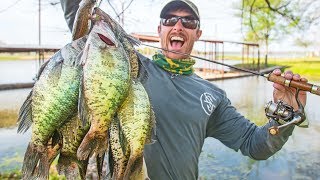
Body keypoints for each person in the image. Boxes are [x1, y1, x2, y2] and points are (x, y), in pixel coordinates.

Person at [60, 0, 308, 179]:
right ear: (160, 30)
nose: (178, 26)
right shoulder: (127, 66)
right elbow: (82, 23)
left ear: (197, 33)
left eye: (188, 21)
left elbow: (255, 144)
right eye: (170, 20)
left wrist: (286, 114)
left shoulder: (213, 95)